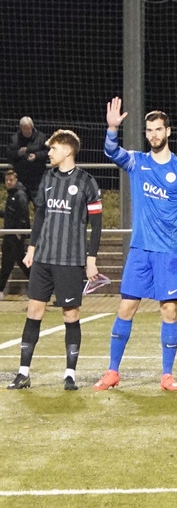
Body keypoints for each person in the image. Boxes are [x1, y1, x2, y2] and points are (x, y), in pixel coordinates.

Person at [94, 98, 177, 392]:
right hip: (140, 250)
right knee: (126, 308)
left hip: (168, 253)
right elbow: (111, 151)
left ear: (168, 131)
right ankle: (112, 372)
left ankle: (167, 375)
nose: (153, 135)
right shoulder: (137, 162)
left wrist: (175, 227)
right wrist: (112, 128)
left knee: (169, 312)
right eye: (149, 130)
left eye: (158, 129)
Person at [6, 130, 102, 390]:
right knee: (33, 311)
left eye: (53, 148)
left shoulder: (87, 182)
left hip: (70, 260)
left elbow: (96, 224)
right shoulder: (48, 178)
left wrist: (91, 259)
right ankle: (23, 373)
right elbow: (40, 217)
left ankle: (70, 374)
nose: (48, 153)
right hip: (44, 259)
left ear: (68, 151)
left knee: (70, 315)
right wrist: (31, 249)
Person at [0, 170, 31, 301]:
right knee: (19, 261)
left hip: (14, 234)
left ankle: (0, 290)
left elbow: (23, 214)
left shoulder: (19, 194)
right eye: (7, 180)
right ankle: (38, 287)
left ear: (16, 180)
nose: (8, 182)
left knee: (9, 263)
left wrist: (20, 233)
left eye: (11, 180)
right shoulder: (13, 194)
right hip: (11, 233)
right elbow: (11, 214)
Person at [7, 116, 48, 202]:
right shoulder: (14, 139)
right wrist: (18, 153)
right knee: (20, 202)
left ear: (32, 127)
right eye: (24, 129)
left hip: (37, 178)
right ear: (20, 128)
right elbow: (9, 155)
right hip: (21, 178)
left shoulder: (41, 137)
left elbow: (47, 152)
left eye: (28, 129)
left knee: (39, 203)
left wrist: (36, 156)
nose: (27, 131)